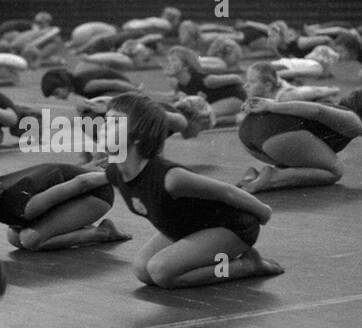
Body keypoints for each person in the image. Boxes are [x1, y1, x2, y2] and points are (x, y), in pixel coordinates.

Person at [103, 93, 281, 289]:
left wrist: (263, 212)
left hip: (231, 227)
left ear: (137, 135)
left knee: (162, 273)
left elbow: (225, 191)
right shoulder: (115, 173)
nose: (103, 127)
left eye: (114, 122)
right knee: (142, 270)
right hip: (188, 227)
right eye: (106, 120)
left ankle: (245, 266)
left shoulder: (170, 177)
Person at [235, 80, 362, 192]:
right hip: (274, 135)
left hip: (249, 136)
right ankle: (272, 177)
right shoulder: (353, 122)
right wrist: (273, 105)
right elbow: (318, 111)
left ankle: (253, 177)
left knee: (312, 164)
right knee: (334, 171)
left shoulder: (342, 116)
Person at [0, 163, 129, 251]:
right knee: (14, 238)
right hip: (74, 190)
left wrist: (117, 173)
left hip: (96, 194)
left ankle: (102, 233)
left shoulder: (24, 205)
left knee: (30, 239)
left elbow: (79, 184)